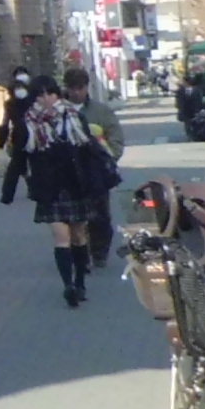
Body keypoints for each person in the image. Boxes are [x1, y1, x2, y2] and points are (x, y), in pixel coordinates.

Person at [2, 74, 115, 306]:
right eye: (40, 95)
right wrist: (8, 191)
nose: (46, 99)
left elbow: (90, 149)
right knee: (60, 236)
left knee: (79, 235)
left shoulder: (74, 117)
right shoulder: (27, 124)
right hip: (49, 188)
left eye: (50, 93)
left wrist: (105, 174)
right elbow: (19, 158)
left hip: (76, 185)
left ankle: (80, 282)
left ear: (57, 94)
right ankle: (68, 286)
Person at [63, 67, 125, 267]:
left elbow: (115, 136)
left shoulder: (100, 111)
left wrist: (110, 158)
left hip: (96, 171)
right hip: (68, 171)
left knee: (100, 216)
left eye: (80, 88)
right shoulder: (59, 111)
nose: (76, 92)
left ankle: (99, 252)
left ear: (86, 87)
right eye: (72, 88)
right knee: (71, 216)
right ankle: (77, 250)